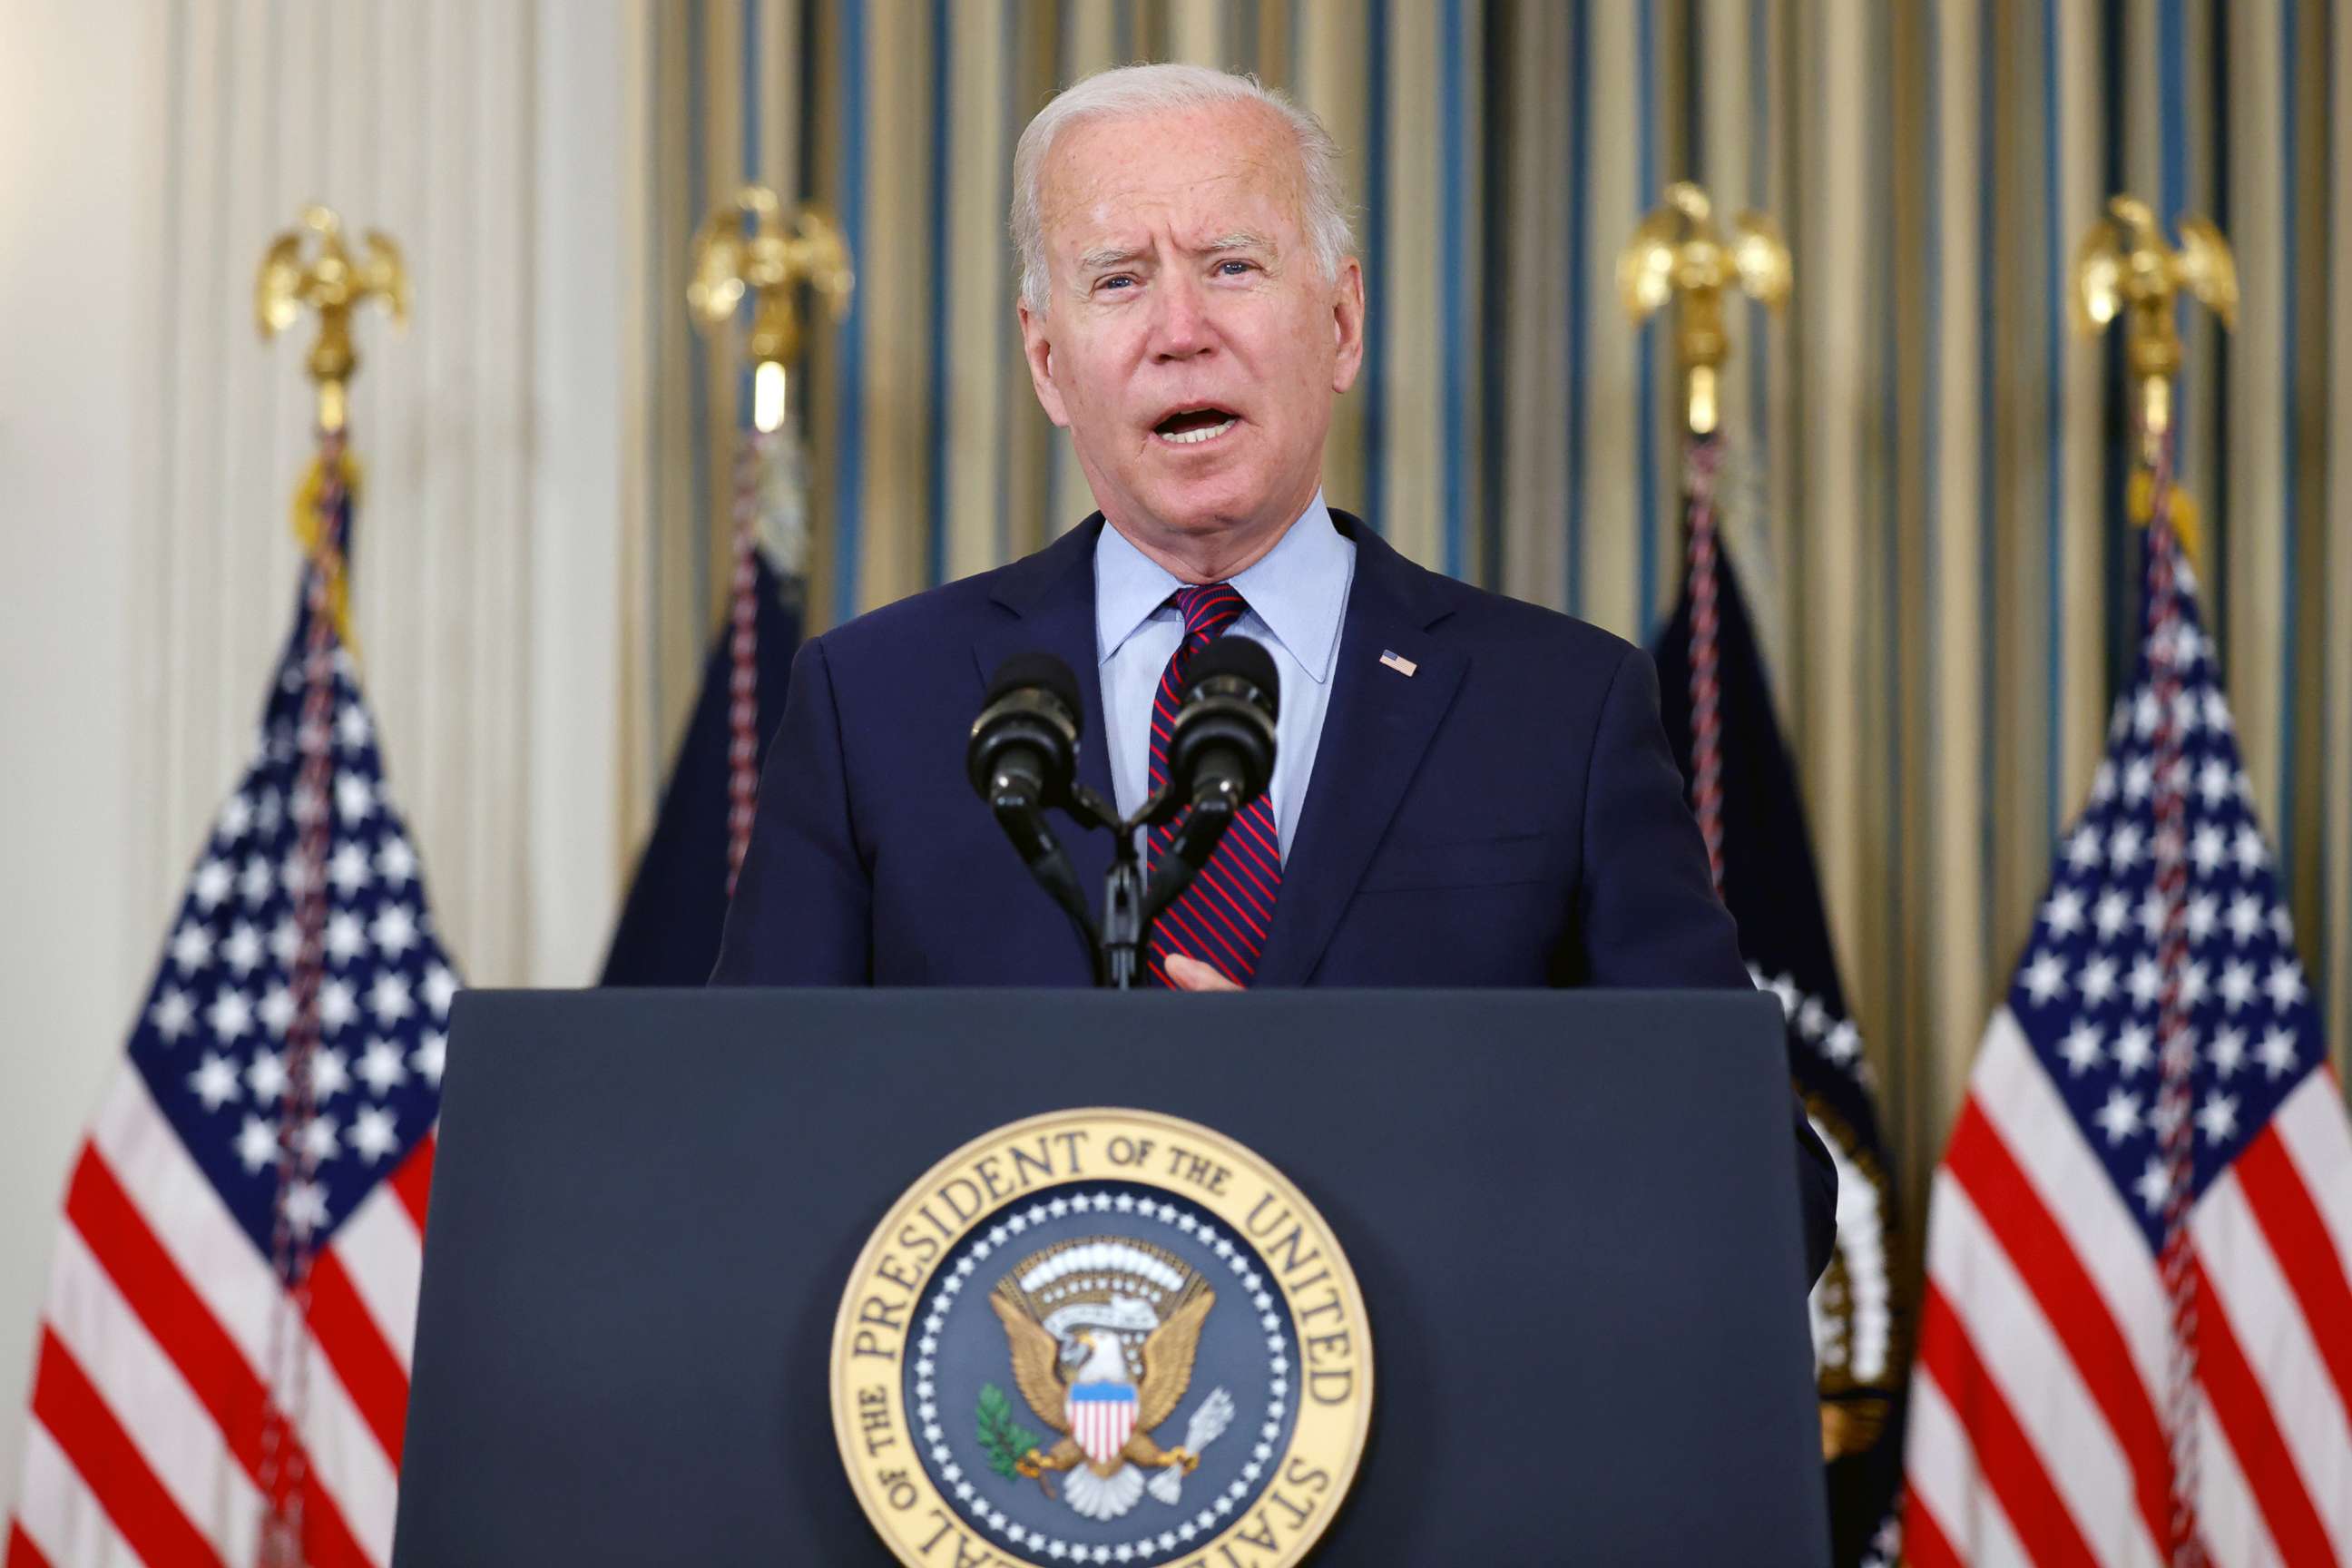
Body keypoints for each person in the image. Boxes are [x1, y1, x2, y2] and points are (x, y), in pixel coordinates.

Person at [710, 63, 1833, 1279]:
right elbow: (742, 1158)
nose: (1179, 330)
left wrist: (1347, 1120)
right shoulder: (876, 704)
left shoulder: (1559, 712)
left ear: (1342, 323)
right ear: (1047, 363)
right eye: (1118, 281)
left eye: (1233, 266)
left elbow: (1759, 1190)